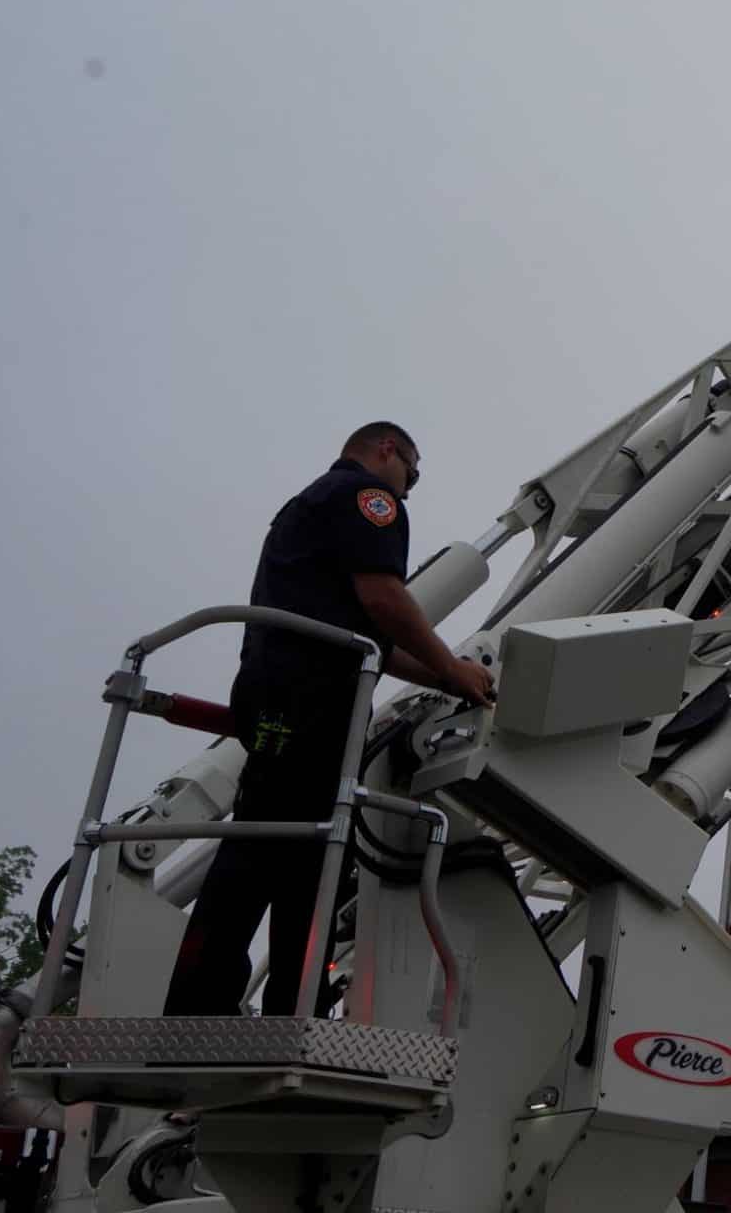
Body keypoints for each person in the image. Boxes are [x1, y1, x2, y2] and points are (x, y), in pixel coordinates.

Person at [164, 421, 496, 1018]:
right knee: (311, 852)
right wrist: (453, 670)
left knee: (268, 841)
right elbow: (384, 601)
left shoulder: (306, 507)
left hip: (274, 692)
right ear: (387, 450)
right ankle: (293, 1008)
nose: (410, 488)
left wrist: (450, 675)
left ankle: (202, 999)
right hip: (316, 698)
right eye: (411, 472)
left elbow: (371, 639)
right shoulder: (370, 500)